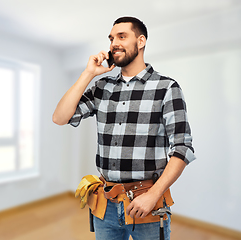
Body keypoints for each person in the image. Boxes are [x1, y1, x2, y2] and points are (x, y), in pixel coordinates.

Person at [52, 16, 195, 240]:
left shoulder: (166, 87)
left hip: (147, 204)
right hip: (105, 203)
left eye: (121, 36)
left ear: (141, 41)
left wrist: (153, 195)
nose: (113, 44)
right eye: (111, 39)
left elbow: (182, 148)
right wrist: (88, 73)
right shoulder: (102, 87)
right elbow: (60, 117)